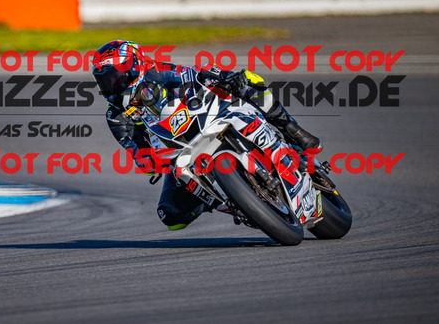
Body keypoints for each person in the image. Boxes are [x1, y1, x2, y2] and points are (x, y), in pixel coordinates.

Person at [92, 40, 321, 231]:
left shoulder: (157, 72)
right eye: (105, 81)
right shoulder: (116, 117)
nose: (112, 85)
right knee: (171, 217)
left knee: (249, 80)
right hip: (177, 154)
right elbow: (136, 150)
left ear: (135, 66)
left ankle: (292, 130)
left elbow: (196, 75)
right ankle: (232, 200)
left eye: (116, 77)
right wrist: (148, 161)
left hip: (202, 121)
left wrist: (222, 77)